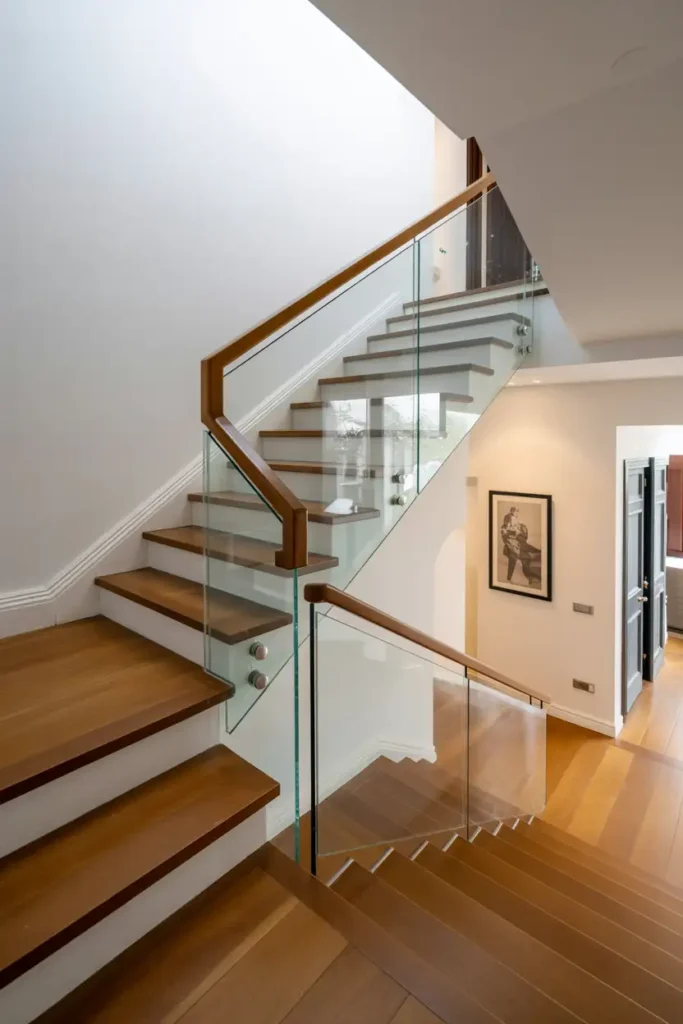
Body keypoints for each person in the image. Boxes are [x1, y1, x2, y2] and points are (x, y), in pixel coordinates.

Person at [500, 506, 541, 586]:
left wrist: (519, 532)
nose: (516, 515)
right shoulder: (505, 527)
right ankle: (511, 578)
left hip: (519, 546)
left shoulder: (520, 526)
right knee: (514, 561)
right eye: (515, 513)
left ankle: (530, 578)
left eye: (517, 513)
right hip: (512, 547)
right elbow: (505, 538)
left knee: (526, 559)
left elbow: (524, 538)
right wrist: (513, 534)